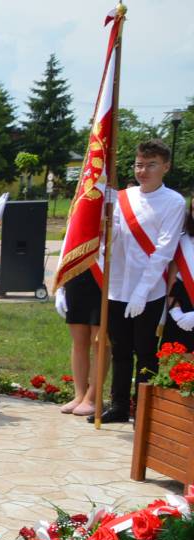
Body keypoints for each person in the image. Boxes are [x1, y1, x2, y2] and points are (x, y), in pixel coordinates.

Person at [87, 139, 185, 424]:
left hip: (149, 290)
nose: (143, 171)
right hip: (117, 286)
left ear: (166, 167)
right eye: (139, 165)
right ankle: (119, 406)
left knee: (145, 352)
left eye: (151, 165)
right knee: (120, 350)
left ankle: (143, 410)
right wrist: (107, 216)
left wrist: (142, 291)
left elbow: (164, 250)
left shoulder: (174, 202)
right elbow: (111, 240)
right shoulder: (123, 197)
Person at [162, 195, 194, 351]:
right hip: (183, 306)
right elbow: (172, 279)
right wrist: (175, 311)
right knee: (178, 357)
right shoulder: (181, 241)